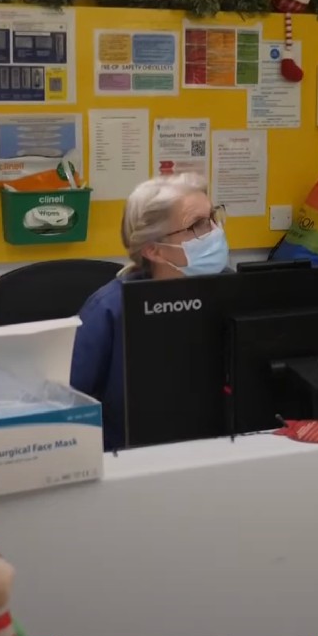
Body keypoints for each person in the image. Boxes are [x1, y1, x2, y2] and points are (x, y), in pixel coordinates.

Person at [71, 174, 228, 451]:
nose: (214, 231)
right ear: (153, 250)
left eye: (213, 217)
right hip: (131, 462)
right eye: (198, 224)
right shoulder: (109, 310)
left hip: (222, 452)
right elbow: (68, 405)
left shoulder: (234, 290)